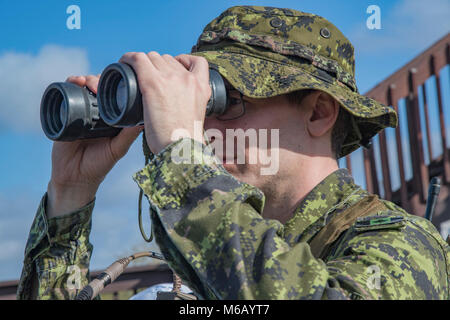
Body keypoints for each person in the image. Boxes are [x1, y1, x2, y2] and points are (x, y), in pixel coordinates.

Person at [18, 5, 449, 300]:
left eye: (227, 102)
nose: (202, 128)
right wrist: (70, 199)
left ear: (318, 112)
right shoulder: (205, 264)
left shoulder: (400, 245)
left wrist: (182, 163)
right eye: (197, 105)